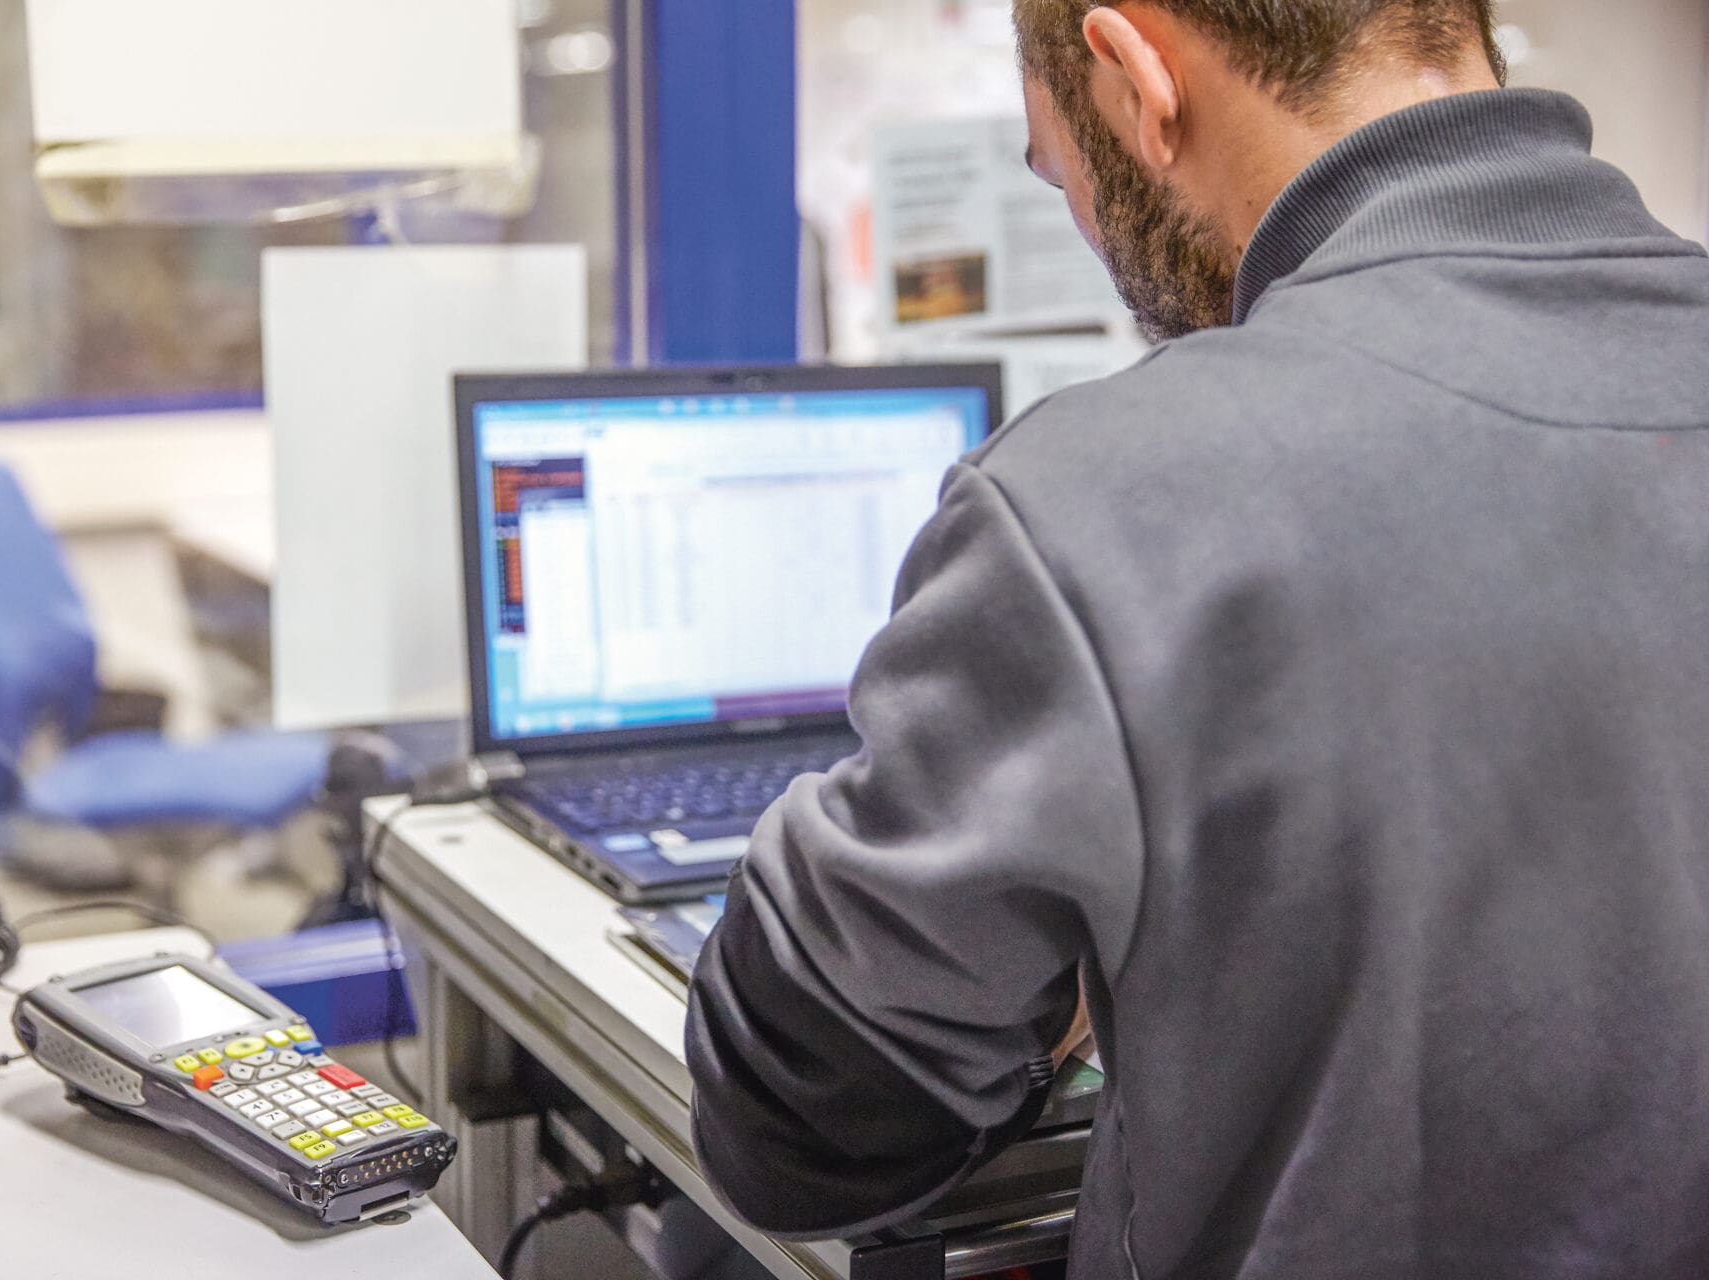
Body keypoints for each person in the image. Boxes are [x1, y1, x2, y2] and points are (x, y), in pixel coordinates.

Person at [684, 1, 1709, 1276]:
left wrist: (1066, 955)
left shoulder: (1108, 496)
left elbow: (797, 1121)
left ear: (1136, 79)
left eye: (1056, 171)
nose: (1080, 217)